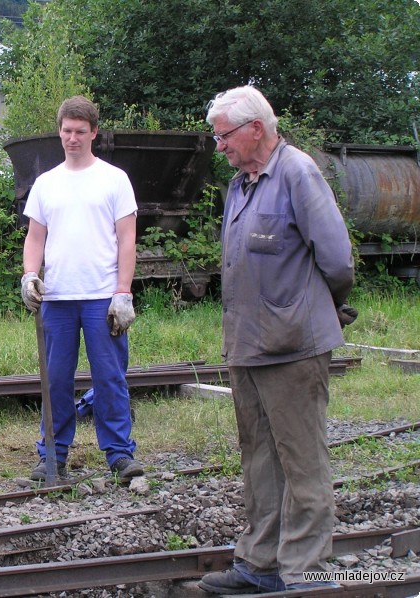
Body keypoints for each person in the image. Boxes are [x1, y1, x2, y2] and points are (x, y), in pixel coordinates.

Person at [198, 86, 356, 594]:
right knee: (259, 458)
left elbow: (336, 261)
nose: (218, 145)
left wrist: (310, 310)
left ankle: (303, 576)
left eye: (223, 136)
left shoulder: (297, 173)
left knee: (301, 460)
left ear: (256, 130)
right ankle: (258, 564)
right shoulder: (240, 187)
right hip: (247, 344)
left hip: (293, 346)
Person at [20, 95, 144, 483]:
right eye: (66, 131)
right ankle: (52, 456)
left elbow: (127, 239)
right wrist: (29, 275)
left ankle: (120, 455)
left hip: (101, 297)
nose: (72, 138)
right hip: (56, 297)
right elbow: (35, 237)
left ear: (93, 133)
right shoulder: (46, 183)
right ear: (60, 132)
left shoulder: (114, 179)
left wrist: (123, 292)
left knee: (109, 377)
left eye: (80, 131)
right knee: (55, 379)